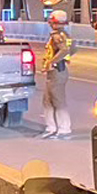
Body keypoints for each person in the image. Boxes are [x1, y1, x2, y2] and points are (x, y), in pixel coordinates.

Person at [38, 10, 75, 139]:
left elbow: (64, 50)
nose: (49, 23)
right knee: (48, 100)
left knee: (58, 101)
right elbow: (73, 49)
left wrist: (51, 62)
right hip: (58, 71)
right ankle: (51, 127)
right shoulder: (65, 35)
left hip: (56, 71)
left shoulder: (57, 36)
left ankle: (64, 129)